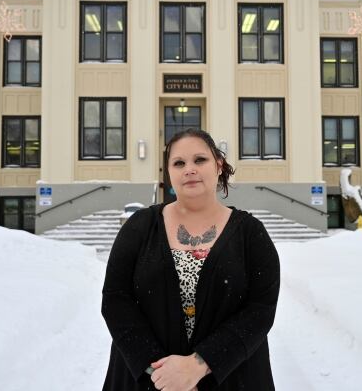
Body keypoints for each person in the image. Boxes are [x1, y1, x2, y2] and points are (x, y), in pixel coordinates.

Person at [101, 128, 281, 391]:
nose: (189, 169)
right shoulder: (139, 227)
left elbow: (260, 310)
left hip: (233, 379)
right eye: (179, 163)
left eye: (200, 160)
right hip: (146, 382)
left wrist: (198, 365)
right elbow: (116, 299)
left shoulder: (250, 233)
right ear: (169, 173)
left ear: (218, 165)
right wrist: (161, 374)